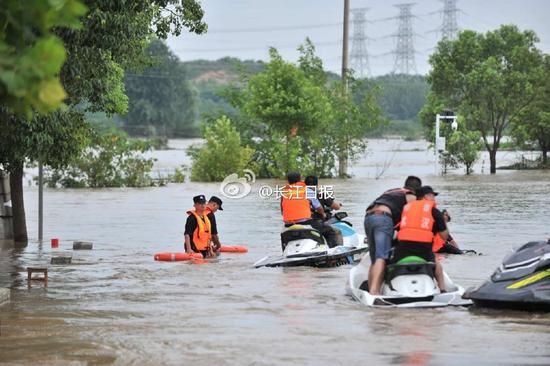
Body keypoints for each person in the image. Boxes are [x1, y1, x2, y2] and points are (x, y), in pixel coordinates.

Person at [364, 176, 422, 295]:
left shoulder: (392, 191)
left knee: (375, 259)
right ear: (418, 190)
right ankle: (374, 292)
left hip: (369, 218)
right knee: (382, 257)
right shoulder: (411, 196)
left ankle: (371, 291)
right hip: (383, 218)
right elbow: (414, 217)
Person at [394, 186, 448, 291]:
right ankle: (442, 289)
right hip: (424, 250)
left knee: (387, 260)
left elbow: (398, 228)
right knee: (437, 265)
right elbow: (444, 236)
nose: (434, 198)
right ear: (426, 196)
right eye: (433, 195)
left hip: (402, 249)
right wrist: (444, 221)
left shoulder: (406, 208)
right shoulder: (434, 211)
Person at [280, 172, 339, 247]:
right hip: (305, 223)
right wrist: (323, 214)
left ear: (288, 181)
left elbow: (282, 211)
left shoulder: (284, 192)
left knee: (284, 237)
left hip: (288, 225)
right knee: (329, 231)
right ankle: (333, 253)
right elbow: (319, 207)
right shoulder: (307, 190)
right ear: (300, 180)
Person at [304, 175, 342, 246]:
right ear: (317, 185)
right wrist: (338, 206)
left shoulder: (300, 193)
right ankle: (336, 252)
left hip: (300, 221)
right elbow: (336, 207)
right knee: (336, 231)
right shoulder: (321, 194)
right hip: (315, 221)